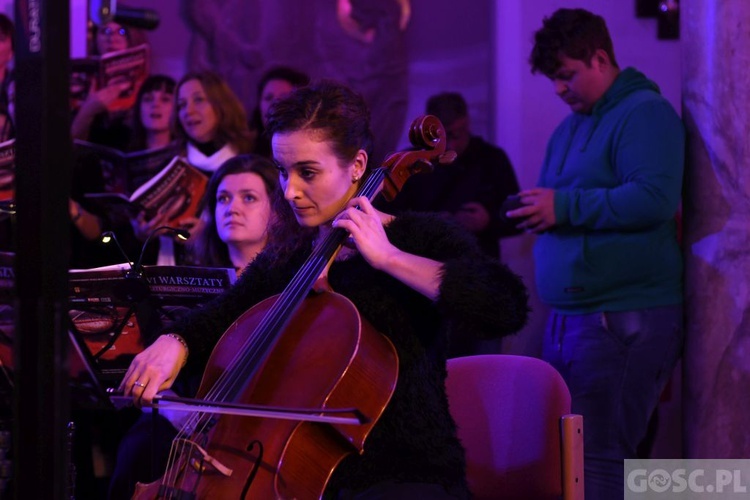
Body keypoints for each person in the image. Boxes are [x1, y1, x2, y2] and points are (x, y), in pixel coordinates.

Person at [119, 80, 529, 498]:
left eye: (307, 172)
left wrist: (388, 257)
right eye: (282, 170)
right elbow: (221, 316)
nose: (290, 190)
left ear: (356, 165)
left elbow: (505, 305)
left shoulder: (420, 237)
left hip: (401, 477)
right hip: (290, 476)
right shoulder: (290, 256)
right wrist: (175, 341)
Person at [507, 9, 684, 500]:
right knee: (571, 456)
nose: (560, 90)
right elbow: (569, 203)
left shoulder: (645, 112)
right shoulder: (570, 127)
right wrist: (537, 210)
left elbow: (654, 198)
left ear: (601, 58)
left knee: (599, 458)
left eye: (567, 75)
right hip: (572, 315)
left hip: (623, 313)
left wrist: (561, 206)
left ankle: (717, 489)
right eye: (554, 80)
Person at [107, 154, 291, 499]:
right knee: (140, 444)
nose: (232, 207)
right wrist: (175, 411)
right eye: (223, 198)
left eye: (248, 197)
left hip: (253, 427)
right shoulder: (182, 281)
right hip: (180, 417)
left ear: (278, 211)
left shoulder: (287, 285)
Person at [133, 70, 254, 266]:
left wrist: (208, 231)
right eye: (181, 105)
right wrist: (143, 230)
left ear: (220, 104)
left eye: (198, 100)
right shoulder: (170, 162)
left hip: (232, 269)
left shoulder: (246, 161)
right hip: (173, 270)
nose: (188, 111)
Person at [384, 92, 521, 261]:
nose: (450, 145)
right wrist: (426, 224)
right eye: (440, 137)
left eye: (457, 134)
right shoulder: (408, 164)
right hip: (421, 263)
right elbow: (386, 219)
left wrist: (489, 221)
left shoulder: (492, 158)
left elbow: (519, 218)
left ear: (467, 122)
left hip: (478, 266)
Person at [249, 65, 310, 158]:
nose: (274, 104)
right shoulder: (245, 149)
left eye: (283, 98)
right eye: (268, 98)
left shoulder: (310, 150)